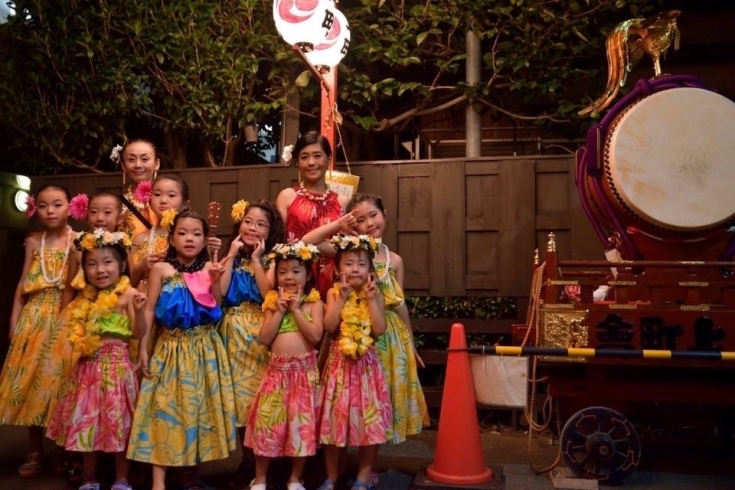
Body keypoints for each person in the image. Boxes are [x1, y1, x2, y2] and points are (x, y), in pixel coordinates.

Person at [304, 194, 430, 487]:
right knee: (345, 404)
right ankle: (338, 469)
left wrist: (410, 343)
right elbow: (307, 243)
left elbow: (399, 304)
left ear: (384, 214)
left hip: (386, 337)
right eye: (359, 219)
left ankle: (366, 470)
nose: (368, 223)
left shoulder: (393, 260)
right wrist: (338, 224)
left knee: (376, 405)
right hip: (346, 338)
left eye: (373, 215)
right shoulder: (345, 251)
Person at [127, 209, 236, 490]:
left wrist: (214, 279)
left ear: (204, 240)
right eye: (183, 233)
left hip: (203, 348)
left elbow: (217, 305)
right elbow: (149, 309)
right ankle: (158, 482)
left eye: (197, 234)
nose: (190, 239)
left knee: (196, 411)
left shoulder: (209, 268)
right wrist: (143, 348)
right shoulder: (161, 270)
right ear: (172, 239)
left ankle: (188, 475)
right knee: (163, 410)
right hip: (169, 348)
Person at [46, 231, 145, 490]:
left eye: (108, 262)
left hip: (117, 371)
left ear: (123, 265)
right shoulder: (85, 299)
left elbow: (138, 333)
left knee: (118, 425)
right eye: (92, 264)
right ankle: (89, 479)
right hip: (87, 371)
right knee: (86, 425)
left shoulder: (128, 295)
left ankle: (121, 479)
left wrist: (141, 310)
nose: (100, 269)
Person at [0, 184, 76, 479]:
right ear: (35, 209)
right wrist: (13, 323)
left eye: (57, 204)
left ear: (72, 206)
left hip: (65, 316)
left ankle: (63, 449)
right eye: (43, 205)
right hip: (34, 316)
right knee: (32, 383)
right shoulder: (33, 242)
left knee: (60, 385)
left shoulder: (79, 240)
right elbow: (22, 285)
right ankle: (35, 449)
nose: (50, 211)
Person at [244, 241, 324, 490]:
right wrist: (279, 312)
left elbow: (315, 336)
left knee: (301, 426)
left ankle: (295, 478)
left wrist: (297, 310)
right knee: (267, 423)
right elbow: (265, 338)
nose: (289, 277)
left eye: (296, 271)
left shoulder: (314, 304)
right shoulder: (271, 303)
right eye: (282, 271)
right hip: (276, 373)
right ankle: (260, 477)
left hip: (304, 374)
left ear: (308, 274)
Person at [316, 234, 392, 490]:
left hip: (366, 366)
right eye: (348, 264)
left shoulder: (376, 294)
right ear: (338, 269)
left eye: (361, 264)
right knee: (334, 420)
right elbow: (329, 326)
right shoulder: (333, 293)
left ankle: (362, 477)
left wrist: (371, 300)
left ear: (371, 270)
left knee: (369, 422)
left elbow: (379, 330)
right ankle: (332, 476)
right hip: (339, 363)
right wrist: (341, 299)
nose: (355, 269)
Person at [218, 199, 284, 478]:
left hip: (261, 331)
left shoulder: (274, 259)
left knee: (261, 400)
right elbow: (218, 294)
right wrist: (231, 256)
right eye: (248, 221)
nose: (253, 228)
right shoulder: (227, 257)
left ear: (270, 231)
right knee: (239, 401)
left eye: (261, 224)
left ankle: (267, 461)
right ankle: (247, 462)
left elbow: (268, 290)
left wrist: (256, 260)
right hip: (232, 333)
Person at [276, 131, 350, 300]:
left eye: (317, 156)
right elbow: (280, 243)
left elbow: (343, 250)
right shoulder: (287, 196)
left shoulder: (342, 201)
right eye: (304, 157)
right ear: (297, 161)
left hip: (332, 281)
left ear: (329, 159)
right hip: (295, 280)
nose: (311, 162)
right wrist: (319, 245)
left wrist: (305, 243)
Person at [129, 175, 190, 364]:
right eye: (157, 194)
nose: (163, 200)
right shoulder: (139, 239)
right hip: (142, 303)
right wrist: (140, 266)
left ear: (185, 203)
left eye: (171, 195)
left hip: (174, 305)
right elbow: (128, 282)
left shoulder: (189, 238)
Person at [111, 138, 161, 237]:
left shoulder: (170, 200)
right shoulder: (116, 205)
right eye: (131, 159)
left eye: (145, 159)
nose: (138, 165)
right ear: (123, 166)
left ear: (156, 164)